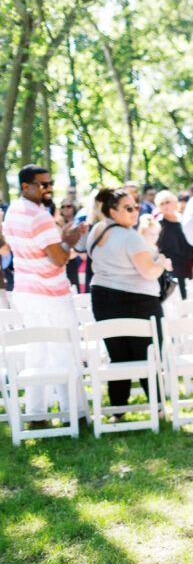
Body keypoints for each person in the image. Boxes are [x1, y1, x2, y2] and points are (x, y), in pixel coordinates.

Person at [2, 165, 88, 417]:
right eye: (42, 184)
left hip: (26, 292)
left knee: (37, 352)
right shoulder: (39, 216)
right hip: (52, 294)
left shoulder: (14, 210)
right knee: (65, 351)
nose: (49, 188)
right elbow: (60, 258)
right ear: (26, 186)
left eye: (50, 183)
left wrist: (62, 236)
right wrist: (70, 240)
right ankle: (74, 413)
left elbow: (36, 247)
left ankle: (36, 413)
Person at [88, 189, 171, 418]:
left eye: (135, 206)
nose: (135, 212)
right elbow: (148, 271)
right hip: (137, 302)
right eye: (128, 208)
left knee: (118, 356)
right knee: (148, 355)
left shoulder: (96, 230)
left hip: (103, 300)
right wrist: (162, 264)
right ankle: (158, 407)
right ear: (112, 211)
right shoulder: (130, 236)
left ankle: (118, 409)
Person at [155, 190, 193, 299]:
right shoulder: (159, 224)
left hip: (187, 265)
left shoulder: (184, 220)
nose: (165, 206)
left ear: (174, 203)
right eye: (161, 204)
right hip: (169, 268)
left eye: (167, 202)